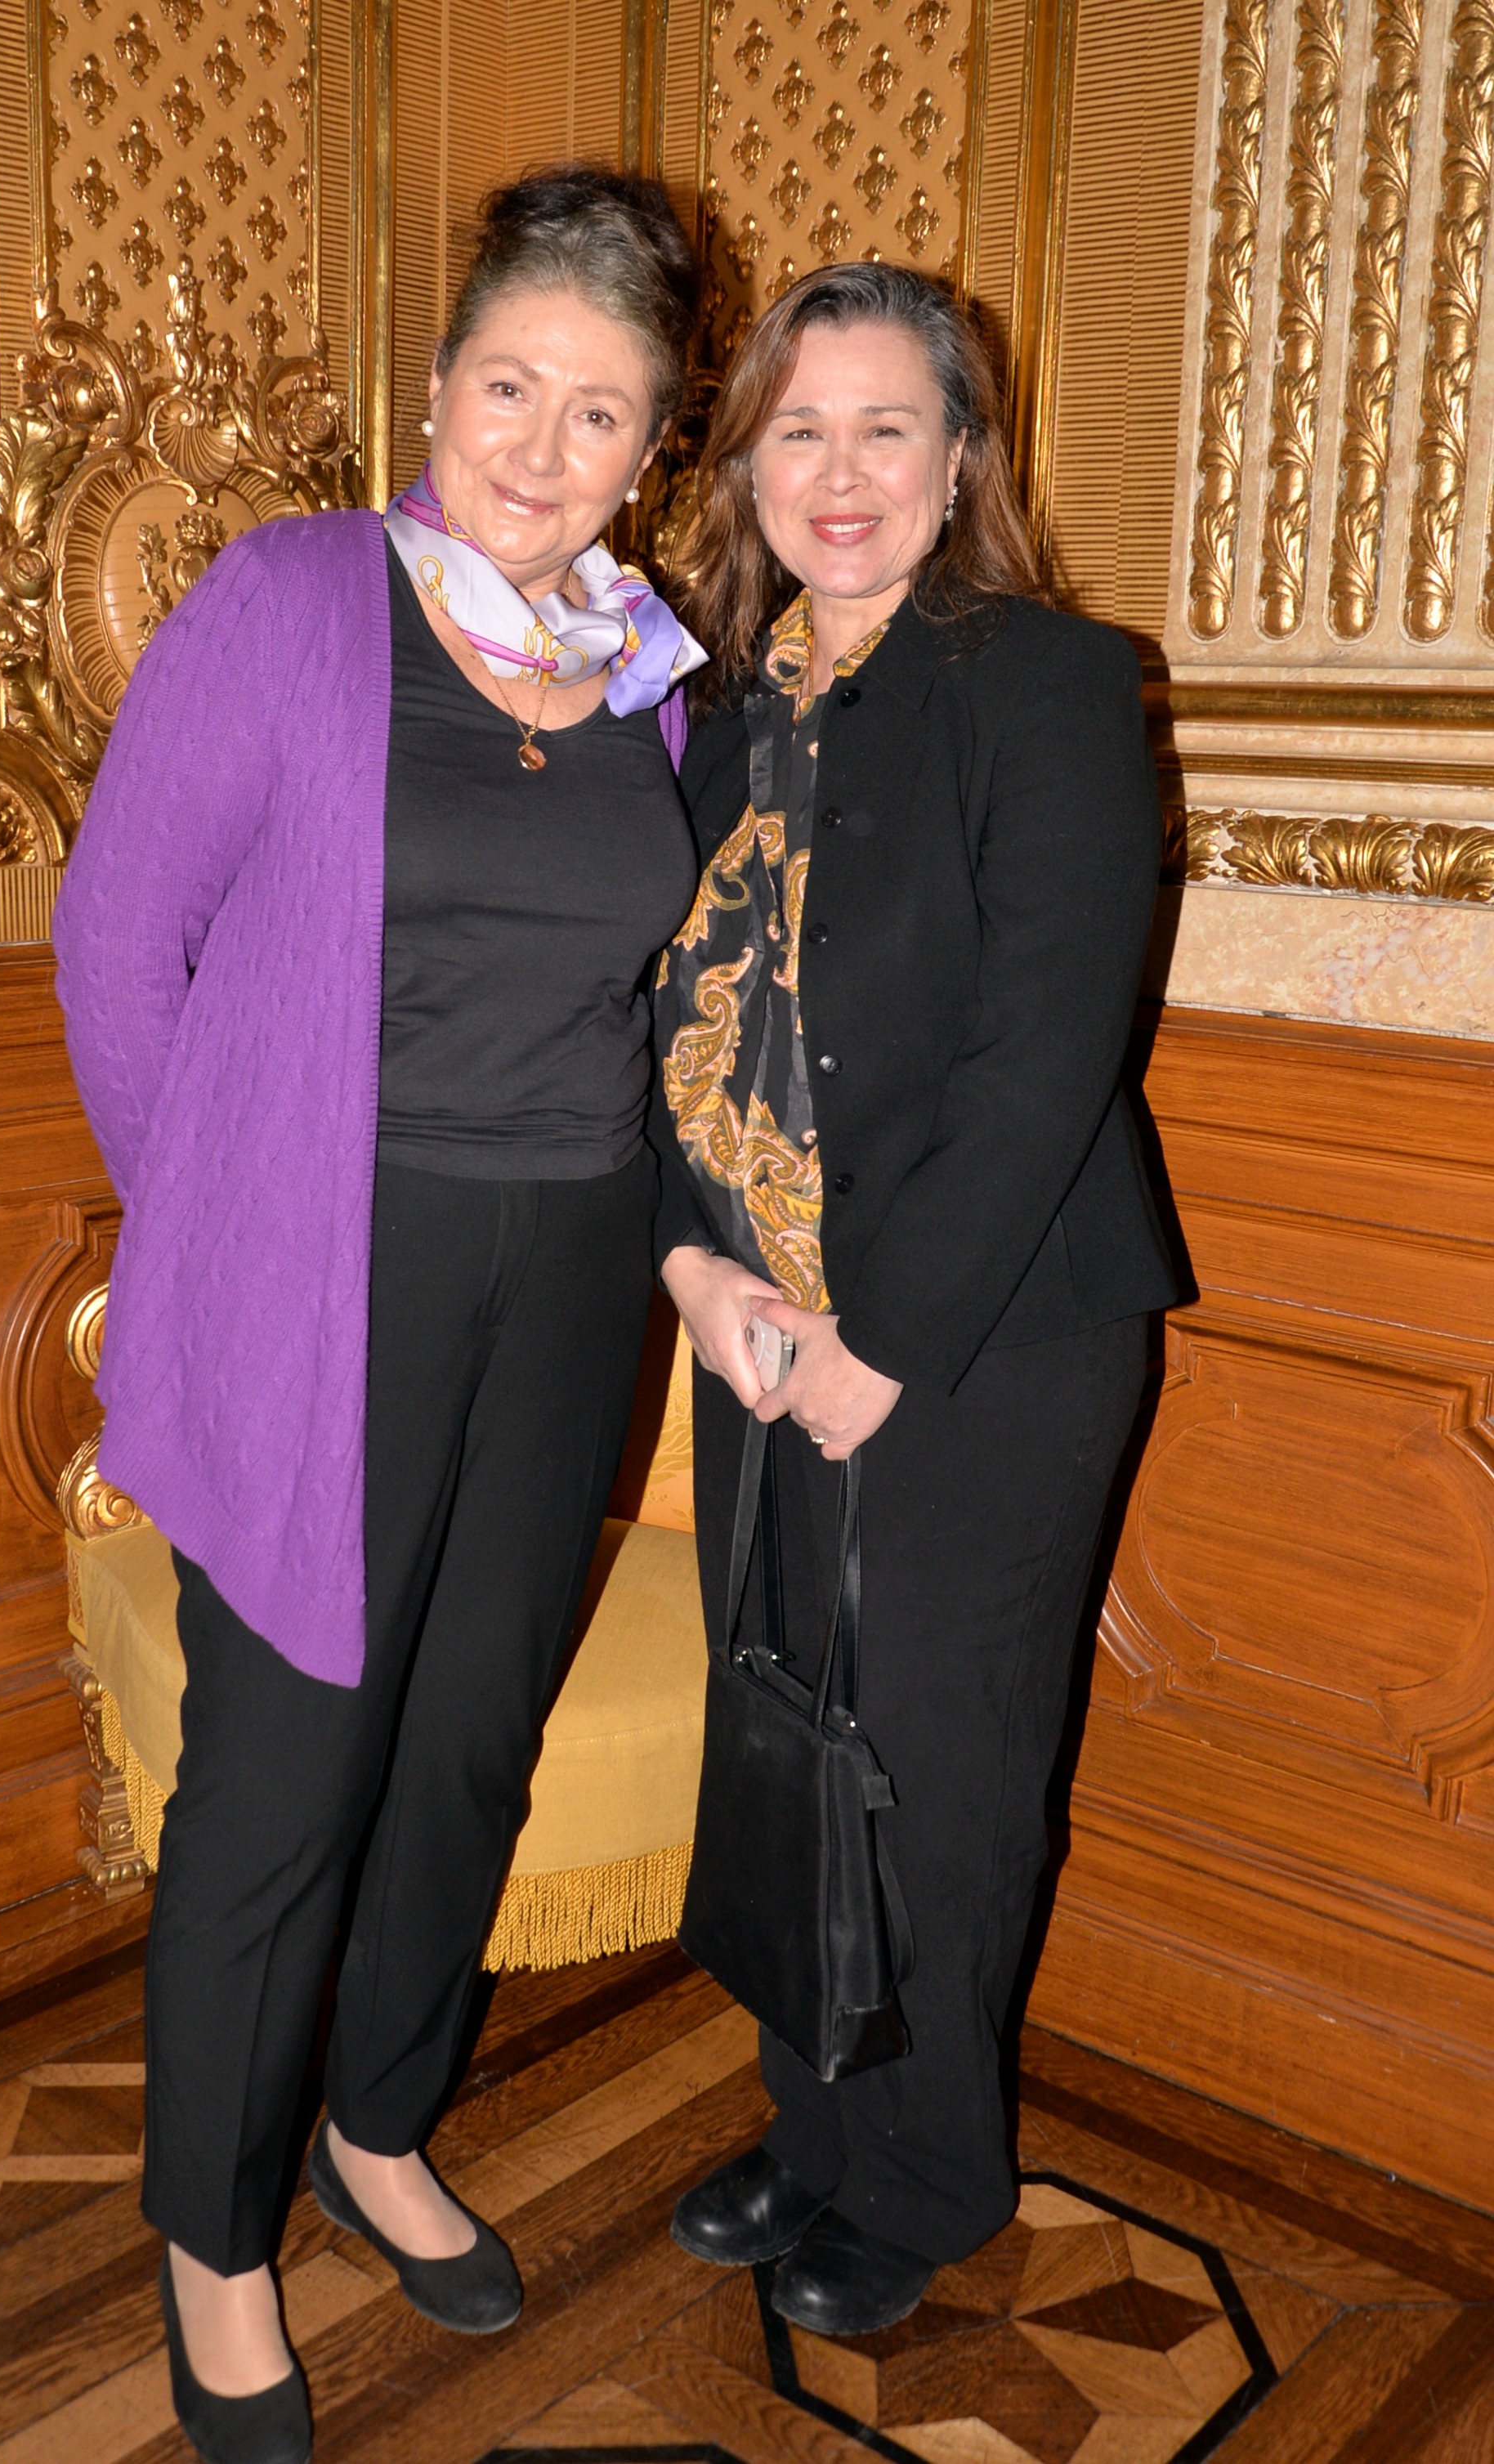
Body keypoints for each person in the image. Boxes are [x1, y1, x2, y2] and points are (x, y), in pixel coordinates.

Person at [53, 165, 705, 2464]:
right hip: (328, 1257)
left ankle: (380, 2119)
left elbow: (644, 992)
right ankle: (215, 2236)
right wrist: (221, 1232)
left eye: (599, 412)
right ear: (434, 388)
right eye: (510, 386)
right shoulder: (292, 599)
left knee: (465, 1741)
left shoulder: (645, 670)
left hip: (573, 1262)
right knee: (286, 1770)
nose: (543, 446)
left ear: (652, 450)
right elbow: (117, 944)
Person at [651, 261, 1176, 2339]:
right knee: (787, 1728)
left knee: (938, 1768)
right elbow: (654, 1018)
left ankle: (931, 2171)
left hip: (988, 1339)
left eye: (887, 426)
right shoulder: (710, 714)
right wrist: (690, 1264)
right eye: (797, 428)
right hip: (753, 1323)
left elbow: (1045, 1053)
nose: (840, 470)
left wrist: (878, 1346)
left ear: (961, 459)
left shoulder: (1046, 683)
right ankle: (812, 2124)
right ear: (745, 466)